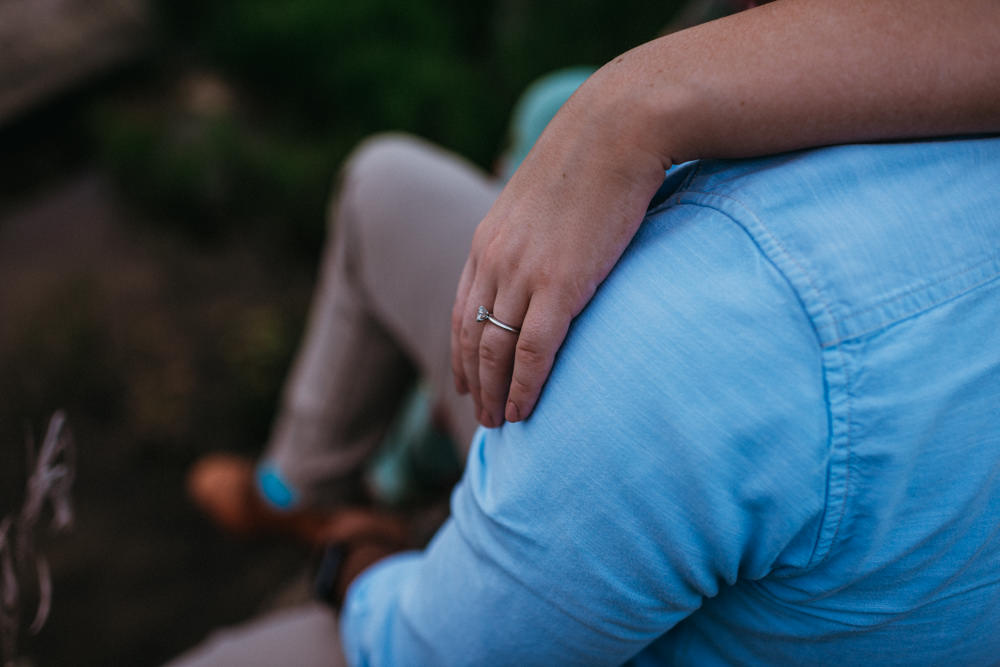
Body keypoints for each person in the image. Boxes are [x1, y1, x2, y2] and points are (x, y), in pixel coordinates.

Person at [190, 0, 1000, 549]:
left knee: (383, 181)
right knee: (542, 117)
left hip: (614, 474)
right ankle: (385, 456)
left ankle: (342, 478)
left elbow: (424, 641)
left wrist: (626, 112)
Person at [340, 133, 1000, 665]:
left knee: (379, 178)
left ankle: (320, 490)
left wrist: (354, 563)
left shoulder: (681, 329)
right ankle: (318, 478)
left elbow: (427, 651)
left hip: (538, 553)